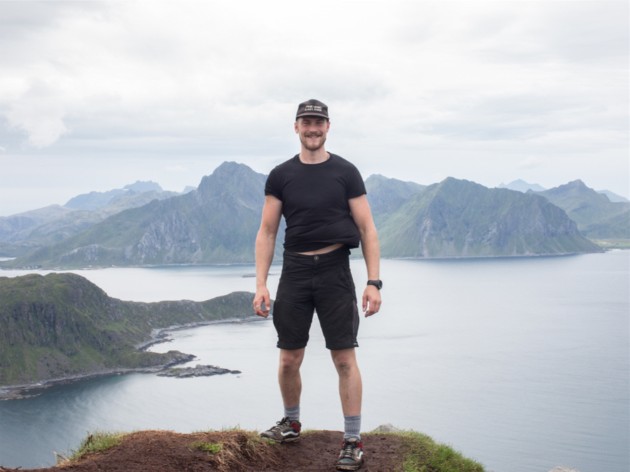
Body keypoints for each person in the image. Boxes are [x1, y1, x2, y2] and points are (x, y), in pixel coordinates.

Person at [253, 98, 382, 471]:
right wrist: (261, 284)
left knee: (344, 358)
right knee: (289, 357)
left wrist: (374, 282)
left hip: (335, 270)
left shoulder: (346, 172)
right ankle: (291, 423)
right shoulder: (281, 175)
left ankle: (352, 442)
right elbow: (267, 231)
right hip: (294, 272)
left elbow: (367, 229)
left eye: (319, 122)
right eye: (306, 122)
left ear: (328, 127)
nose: (312, 128)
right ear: (296, 127)